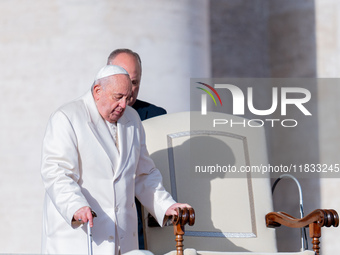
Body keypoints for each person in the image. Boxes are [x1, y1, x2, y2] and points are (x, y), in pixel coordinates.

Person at [41, 65, 190, 254]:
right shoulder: (67, 117)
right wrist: (75, 205)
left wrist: (166, 205)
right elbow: (56, 172)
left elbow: (144, 174)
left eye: (127, 98)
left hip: (123, 239)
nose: (123, 105)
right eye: (117, 97)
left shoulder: (133, 119)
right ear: (97, 91)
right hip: (81, 237)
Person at [107, 49, 167, 249]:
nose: (130, 90)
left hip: (143, 221)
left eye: (135, 82)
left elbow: (154, 171)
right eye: (124, 80)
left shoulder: (157, 117)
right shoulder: (82, 115)